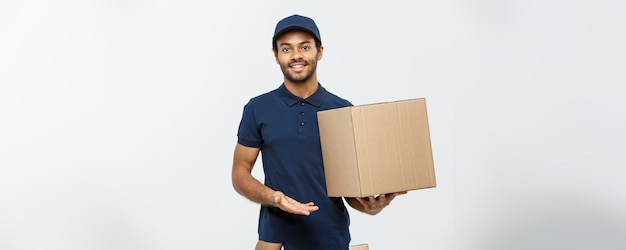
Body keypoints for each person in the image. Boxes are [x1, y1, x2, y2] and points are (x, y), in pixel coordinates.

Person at [232, 14, 405, 250]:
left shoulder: (342, 109)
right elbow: (240, 173)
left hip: (330, 238)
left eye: (304, 47)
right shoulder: (258, 108)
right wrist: (275, 198)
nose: (296, 56)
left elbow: (349, 188)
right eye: (286, 49)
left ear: (320, 51)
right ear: (276, 56)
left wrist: (370, 206)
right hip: (275, 239)